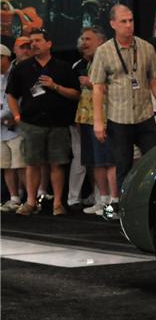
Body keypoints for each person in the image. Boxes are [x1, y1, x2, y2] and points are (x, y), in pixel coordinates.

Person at [91, 4, 156, 219]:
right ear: (113, 24)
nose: (129, 25)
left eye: (131, 21)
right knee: (123, 165)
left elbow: (155, 81)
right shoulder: (104, 51)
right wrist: (98, 122)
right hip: (118, 117)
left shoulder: (145, 48)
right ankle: (125, 208)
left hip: (145, 115)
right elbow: (98, 88)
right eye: (123, 22)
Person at [4, 29, 80, 216]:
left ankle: (57, 203)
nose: (34, 44)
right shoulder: (23, 68)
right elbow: (11, 95)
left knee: (57, 163)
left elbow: (75, 94)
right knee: (32, 163)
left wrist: (55, 86)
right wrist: (16, 117)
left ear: (49, 44)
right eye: (31, 41)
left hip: (58, 122)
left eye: (38, 40)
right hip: (31, 123)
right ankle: (30, 202)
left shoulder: (63, 67)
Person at [72, 28, 115, 216]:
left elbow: (116, 89)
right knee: (95, 162)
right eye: (82, 39)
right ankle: (102, 200)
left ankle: (114, 203)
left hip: (104, 119)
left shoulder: (109, 61)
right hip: (87, 119)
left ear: (101, 42)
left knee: (108, 161)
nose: (84, 43)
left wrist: (91, 83)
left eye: (88, 39)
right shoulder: (89, 63)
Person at [1, 44, 27, 213]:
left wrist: (12, 116)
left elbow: (19, 99)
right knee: (6, 165)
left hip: (16, 126)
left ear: (4, 57)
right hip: (1, 131)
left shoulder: (16, 73)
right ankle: (14, 198)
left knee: (21, 165)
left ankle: (29, 198)